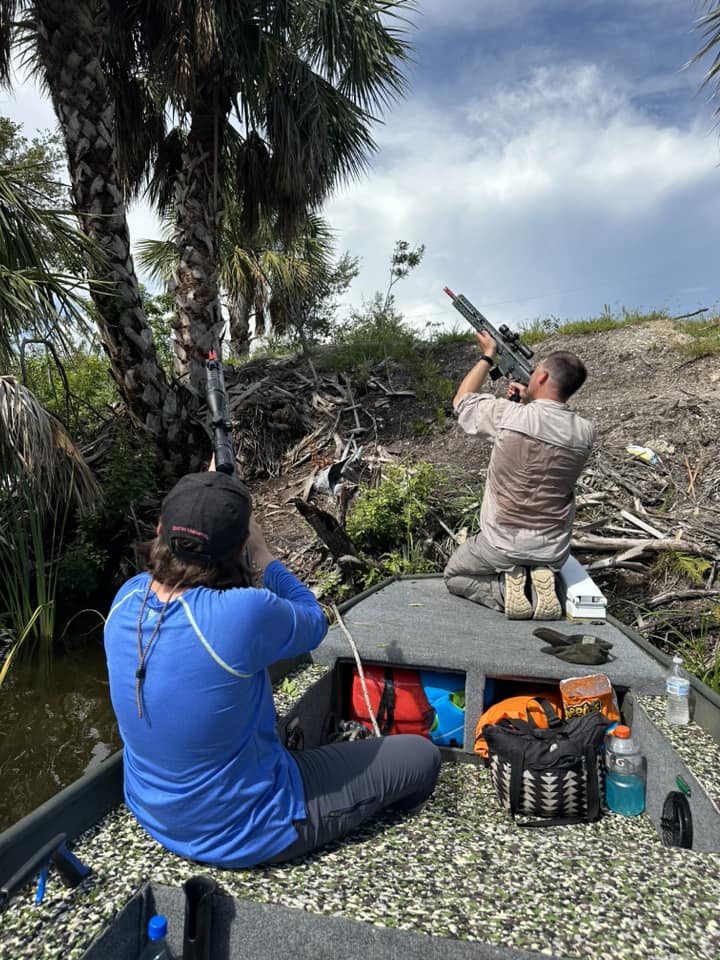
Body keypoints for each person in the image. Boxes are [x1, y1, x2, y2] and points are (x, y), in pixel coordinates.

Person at [104, 469, 440, 869]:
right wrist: (265, 557)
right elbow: (314, 619)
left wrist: (203, 499)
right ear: (242, 546)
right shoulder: (242, 613)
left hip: (152, 814)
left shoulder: (127, 597)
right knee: (421, 757)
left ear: (160, 529)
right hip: (247, 831)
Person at [444, 331, 594, 619]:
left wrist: (488, 355)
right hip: (552, 549)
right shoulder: (585, 433)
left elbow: (462, 401)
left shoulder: (509, 416)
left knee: (455, 575)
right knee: (539, 557)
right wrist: (527, 404)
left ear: (540, 378)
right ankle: (540, 579)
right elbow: (544, 441)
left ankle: (511, 589)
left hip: (501, 545)